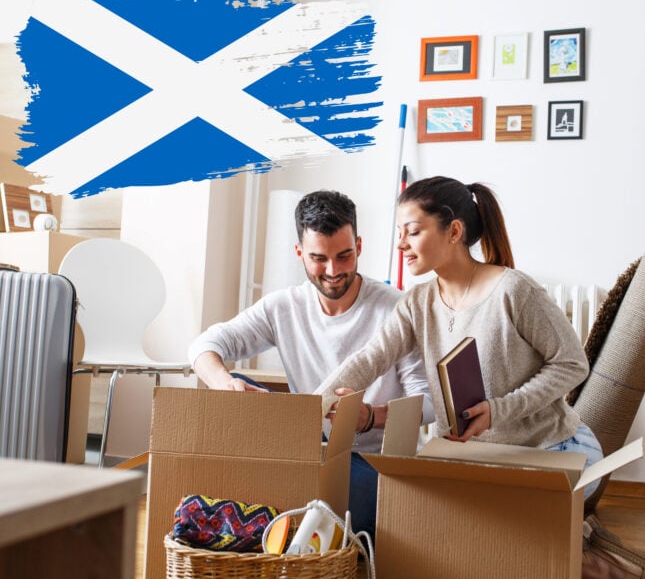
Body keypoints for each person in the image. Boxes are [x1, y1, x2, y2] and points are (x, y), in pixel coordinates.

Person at [316, 176, 604, 498]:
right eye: (400, 234)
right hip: (471, 456)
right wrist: (312, 407)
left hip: (552, 449)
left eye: (412, 232)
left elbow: (572, 364)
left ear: (454, 231)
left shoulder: (513, 290)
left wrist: (499, 410)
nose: (400, 244)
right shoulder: (416, 303)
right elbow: (371, 357)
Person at [188, 189, 434, 538]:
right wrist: (224, 383)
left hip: (374, 462)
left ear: (359, 247)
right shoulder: (283, 307)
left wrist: (369, 418)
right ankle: (278, 518)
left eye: (344, 256)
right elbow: (204, 345)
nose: (333, 271)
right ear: (300, 254)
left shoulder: (396, 309)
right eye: (319, 258)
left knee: (316, 504)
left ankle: (285, 519)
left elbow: (428, 402)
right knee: (233, 386)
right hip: (309, 452)